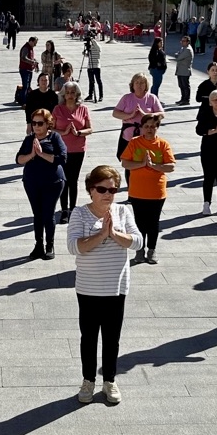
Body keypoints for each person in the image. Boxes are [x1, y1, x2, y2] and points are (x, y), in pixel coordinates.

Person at [67, 165, 141, 405]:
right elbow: (74, 247)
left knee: (112, 338)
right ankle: (88, 380)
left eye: (113, 189)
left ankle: (109, 380)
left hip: (116, 287)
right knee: (88, 337)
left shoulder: (123, 211)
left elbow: (137, 242)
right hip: (88, 288)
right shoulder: (79, 213)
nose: (108, 194)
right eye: (102, 189)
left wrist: (115, 233)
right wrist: (101, 235)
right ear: (91, 190)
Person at [120, 112, 175, 265]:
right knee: (139, 223)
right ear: (142, 128)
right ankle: (140, 249)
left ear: (157, 128)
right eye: (146, 126)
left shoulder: (163, 144)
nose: (149, 129)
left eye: (152, 126)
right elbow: (125, 163)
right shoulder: (134, 142)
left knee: (153, 222)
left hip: (156, 192)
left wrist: (153, 166)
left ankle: (152, 249)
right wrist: (142, 165)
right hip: (137, 191)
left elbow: (171, 166)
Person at [17, 108, 67, 260]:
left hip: (53, 182)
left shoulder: (55, 137)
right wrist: (32, 154)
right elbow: (19, 159)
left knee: (48, 213)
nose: (36, 126)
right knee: (37, 214)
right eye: (34, 123)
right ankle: (38, 245)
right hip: (32, 182)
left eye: (40, 123)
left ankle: (49, 245)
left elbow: (62, 158)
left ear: (47, 124)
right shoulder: (29, 139)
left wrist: (41, 154)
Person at [53, 81, 94, 224]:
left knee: (73, 180)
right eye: (67, 93)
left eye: (72, 92)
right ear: (63, 95)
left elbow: (90, 128)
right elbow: (51, 128)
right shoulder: (58, 109)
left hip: (78, 149)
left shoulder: (83, 109)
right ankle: (64, 210)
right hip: (62, 149)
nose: (70, 95)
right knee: (63, 179)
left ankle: (73, 209)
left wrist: (78, 133)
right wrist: (64, 132)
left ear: (77, 94)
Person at [111, 73, 164, 164]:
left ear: (146, 85)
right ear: (133, 85)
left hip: (146, 135)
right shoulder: (126, 98)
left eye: (142, 83)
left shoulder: (152, 98)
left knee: (145, 160)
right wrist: (130, 116)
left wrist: (146, 115)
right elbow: (115, 113)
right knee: (128, 162)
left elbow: (162, 114)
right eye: (137, 83)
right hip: (128, 136)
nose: (139, 85)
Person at [174, 34, 194, 106]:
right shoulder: (183, 48)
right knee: (181, 85)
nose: (182, 42)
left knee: (185, 86)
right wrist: (177, 55)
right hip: (180, 70)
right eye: (181, 41)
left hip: (184, 71)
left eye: (183, 41)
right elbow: (177, 54)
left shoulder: (188, 50)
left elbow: (178, 57)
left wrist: (177, 55)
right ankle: (182, 99)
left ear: (188, 42)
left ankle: (186, 100)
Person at [18, 36, 39, 106]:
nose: (35, 45)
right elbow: (23, 58)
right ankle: (23, 101)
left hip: (29, 69)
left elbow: (31, 57)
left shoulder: (30, 48)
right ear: (31, 41)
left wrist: (35, 62)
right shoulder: (26, 48)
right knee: (25, 86)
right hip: (24, 69)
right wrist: (32, 62)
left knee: (28, 86)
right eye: (35, 43)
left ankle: (24, 99)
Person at [84, 36, 103, 102]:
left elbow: (95, 44)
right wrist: (85, 51)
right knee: (91, 82)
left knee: (98, 81)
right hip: (90, 67)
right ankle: (90, 95)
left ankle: (101, 96)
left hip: (96, 66)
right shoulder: (90, 48)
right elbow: (86, 55)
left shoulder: (98, 47)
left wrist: (92, 39)